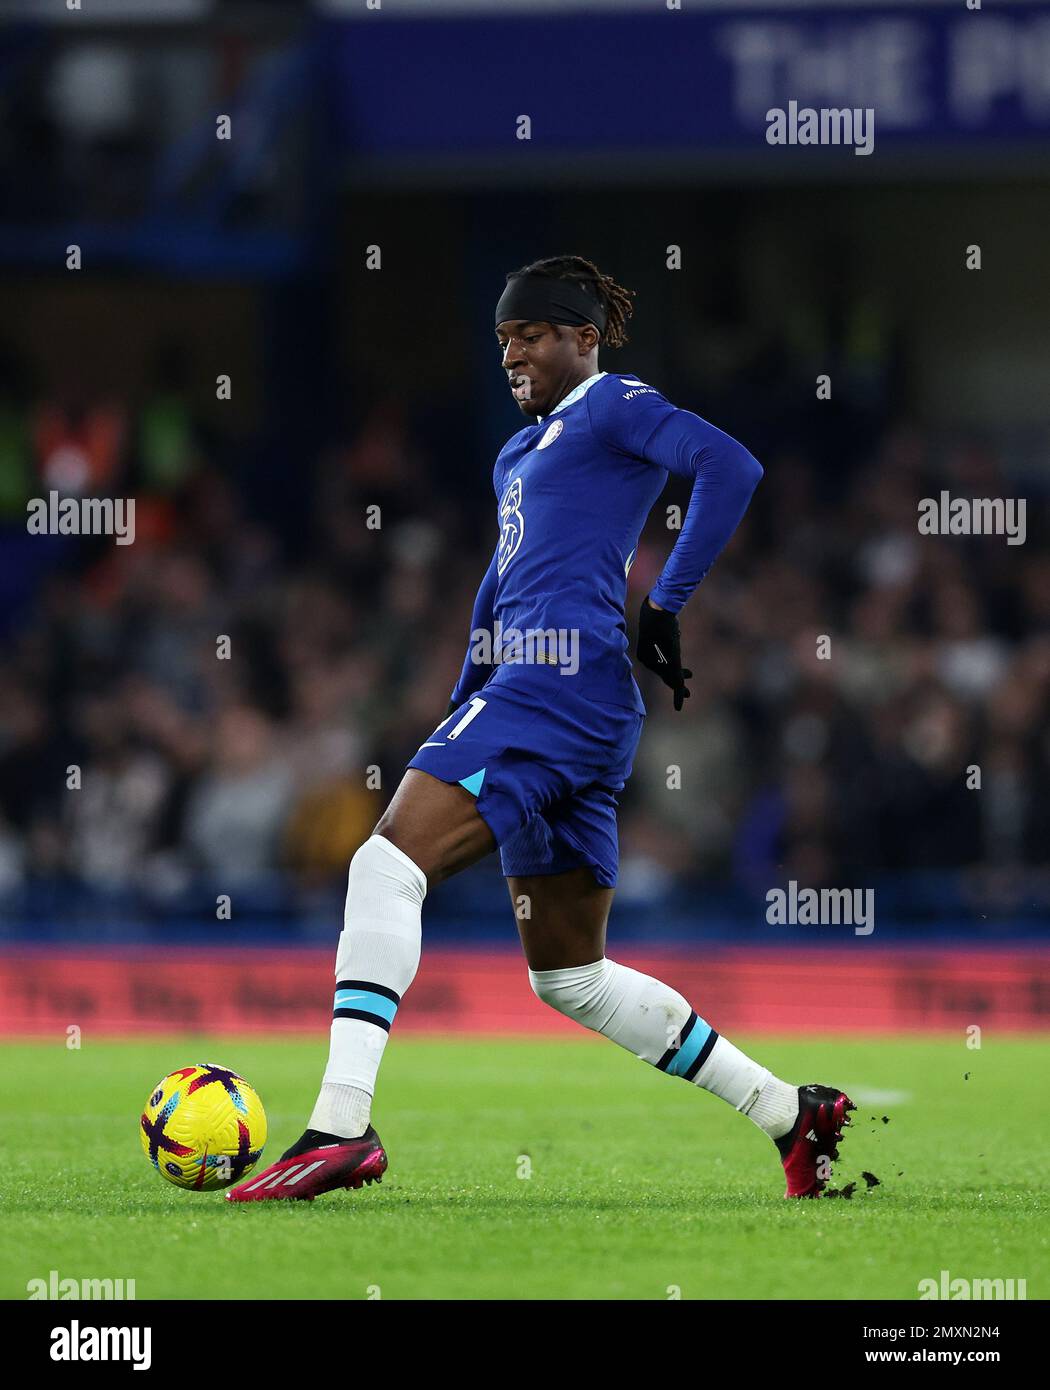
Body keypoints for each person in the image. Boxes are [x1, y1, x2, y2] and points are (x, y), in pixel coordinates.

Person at [227, 255, 852, 1204]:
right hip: (554, 700)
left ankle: (341, 1127)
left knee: (383, 866)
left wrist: (668, 599)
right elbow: (503, 578)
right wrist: (466, 684)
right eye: (503, 339)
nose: (511, 352)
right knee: (572, 979)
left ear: (584, 337)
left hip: (557, 688)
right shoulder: (518, 454)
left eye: (531, 334)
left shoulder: (611, 404)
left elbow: (731, 464)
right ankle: (788, 1113)